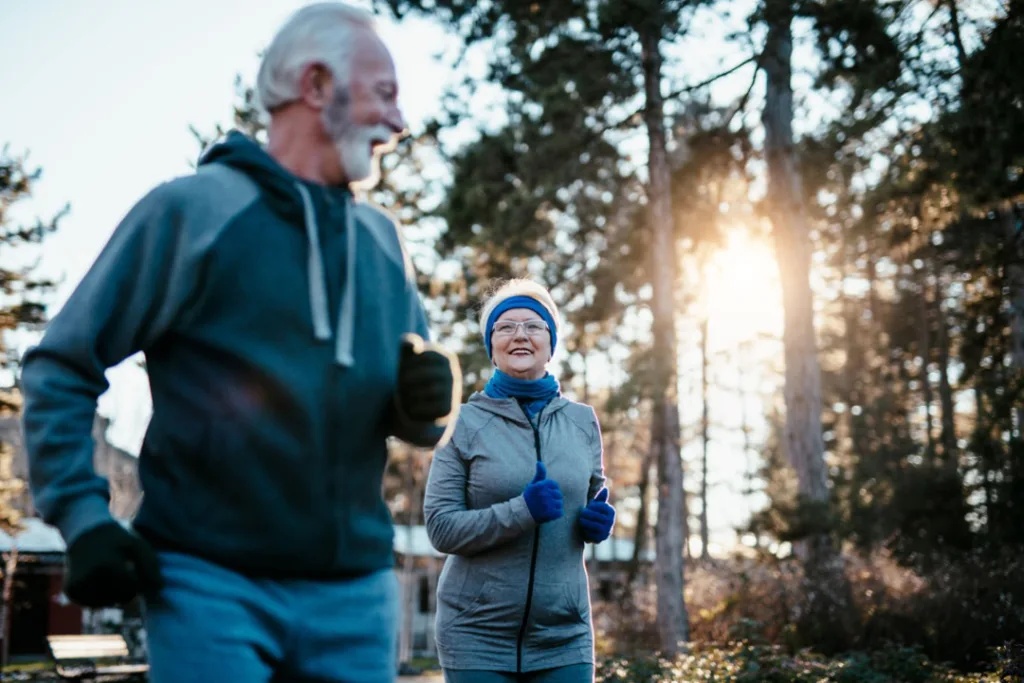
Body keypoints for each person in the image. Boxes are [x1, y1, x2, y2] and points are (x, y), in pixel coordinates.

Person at [20, 4, 459, 682]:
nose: (399, 124)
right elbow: (62, 362)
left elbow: (403, 406)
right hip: (210, 583)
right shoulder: (194, 211)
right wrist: (84, 516)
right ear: (315, 86)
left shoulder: (383, 243)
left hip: (356, 592)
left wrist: (420, 405)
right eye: (385, 94)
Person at [423, 279, 617, 683]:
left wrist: (594, 524)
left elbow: (592, 496)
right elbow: (441, 528)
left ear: (551, 341)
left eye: (533, 325)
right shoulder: (462, 422)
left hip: (565, 633)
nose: (520, 335)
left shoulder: (582, 421)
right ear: (491, 345)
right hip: (475, 634)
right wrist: (522, 511)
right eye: (506, 326)